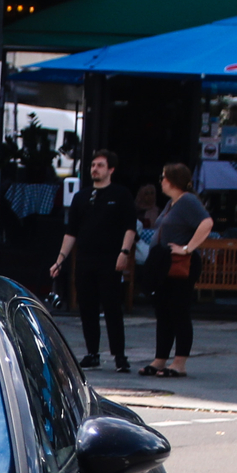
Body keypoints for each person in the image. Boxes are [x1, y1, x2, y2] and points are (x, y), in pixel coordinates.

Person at [49, 148, 137, 374]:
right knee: (86, 306)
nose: (95, 169)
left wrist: (124, 253)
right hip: (85, 258)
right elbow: (71, 233)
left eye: (100, 165)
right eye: (93, 165)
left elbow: (130, 227)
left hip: (110, 258)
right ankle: (92, 352)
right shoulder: (82, 197)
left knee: (111, 307)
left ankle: (119, 355)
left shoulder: (120, 195)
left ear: (111, 169)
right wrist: (60, 260)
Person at [140, 162, 213, 378]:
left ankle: (179, 362)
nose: (160, 181)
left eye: (163, 177)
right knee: (163, 312)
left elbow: (207, 223)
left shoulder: (188, 200)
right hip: (164, 263)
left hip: (181, 265)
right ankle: (160, 359)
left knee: (178, 311)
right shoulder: (173, 203)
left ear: (172, 180)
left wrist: (188, 248)